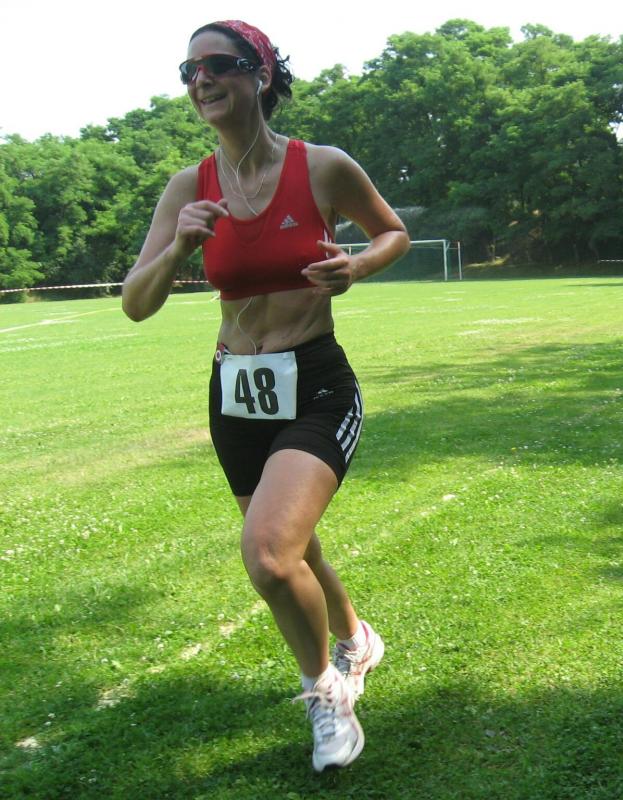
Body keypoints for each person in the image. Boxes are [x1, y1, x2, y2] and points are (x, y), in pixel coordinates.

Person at [121, 19, 410, 772]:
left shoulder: (322, 167)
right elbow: (135, 302)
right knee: (294, 544)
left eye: (219, 64)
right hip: (236, 394)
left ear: (261, 73)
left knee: (270, 555)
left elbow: (393, 233)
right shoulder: (189, 187)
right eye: (189, 70)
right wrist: (179, 247)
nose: (202, 80)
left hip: (315, 383)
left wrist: (357, 266)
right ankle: (356, 640)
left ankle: (326, 693)